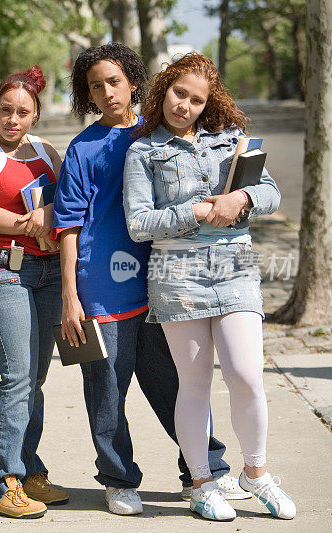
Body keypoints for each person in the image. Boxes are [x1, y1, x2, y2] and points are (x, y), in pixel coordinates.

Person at [52, 43, 243, 516]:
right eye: (94, 85)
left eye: (113, 81)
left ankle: (205, 471)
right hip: (100, 287)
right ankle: (118, 479)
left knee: (179, 386)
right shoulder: (83, 147)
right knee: (107, 393)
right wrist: (71, 296)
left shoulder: (160, 134)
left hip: (162, 285)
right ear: (86, 93)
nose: (105, 91)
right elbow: (68, 226)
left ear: (134, 82)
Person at [123, 52, 295, 522]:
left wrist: (241, 196)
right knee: (194, 383)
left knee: (246, 375)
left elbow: (271, 192)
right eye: (180, 94)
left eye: (197, 100)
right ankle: (200, 482)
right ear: (164, 91)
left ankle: (255, 473)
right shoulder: (144, 151)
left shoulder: (234, 140)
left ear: (208, 102)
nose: (186, 106)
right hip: (176, 275)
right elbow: (139, 223)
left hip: (235, 264)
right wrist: (196, 212)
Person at [0, 66, 68, 519]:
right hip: (4, 271)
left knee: (35, 380)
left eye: (23, 112)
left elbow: (68, 202)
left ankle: (27, 471)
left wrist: (51, 218)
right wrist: (34, 222)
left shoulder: (46, 152)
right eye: (6, 110)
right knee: (18, 377)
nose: (13, 119)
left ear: (35, 115)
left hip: (47, 274)